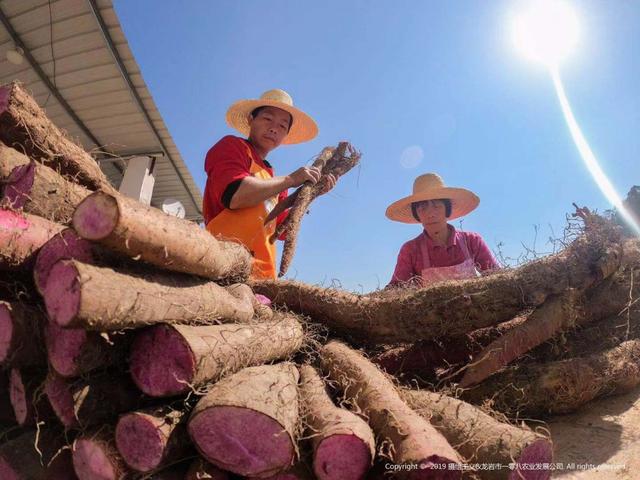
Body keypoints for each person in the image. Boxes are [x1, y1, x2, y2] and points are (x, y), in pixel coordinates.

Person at [203, 89, 335, 279]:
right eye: (267, 119)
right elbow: (235, 195)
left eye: (282, 126)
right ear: (250, 119)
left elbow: (281, 231)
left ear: (285, 135)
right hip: (222, 263)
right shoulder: (232, 147)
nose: (274, 128)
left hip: (261, 276)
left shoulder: (273, 178)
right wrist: (290, 180)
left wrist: (314, 194)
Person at [386, 173, 499, 287]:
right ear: (416, 214)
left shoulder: (472, 241)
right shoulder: (410, 250)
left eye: (437, 206)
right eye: (423, 208)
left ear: (447, 209)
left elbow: (497, 277)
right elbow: (396, 289)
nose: (430, 214)